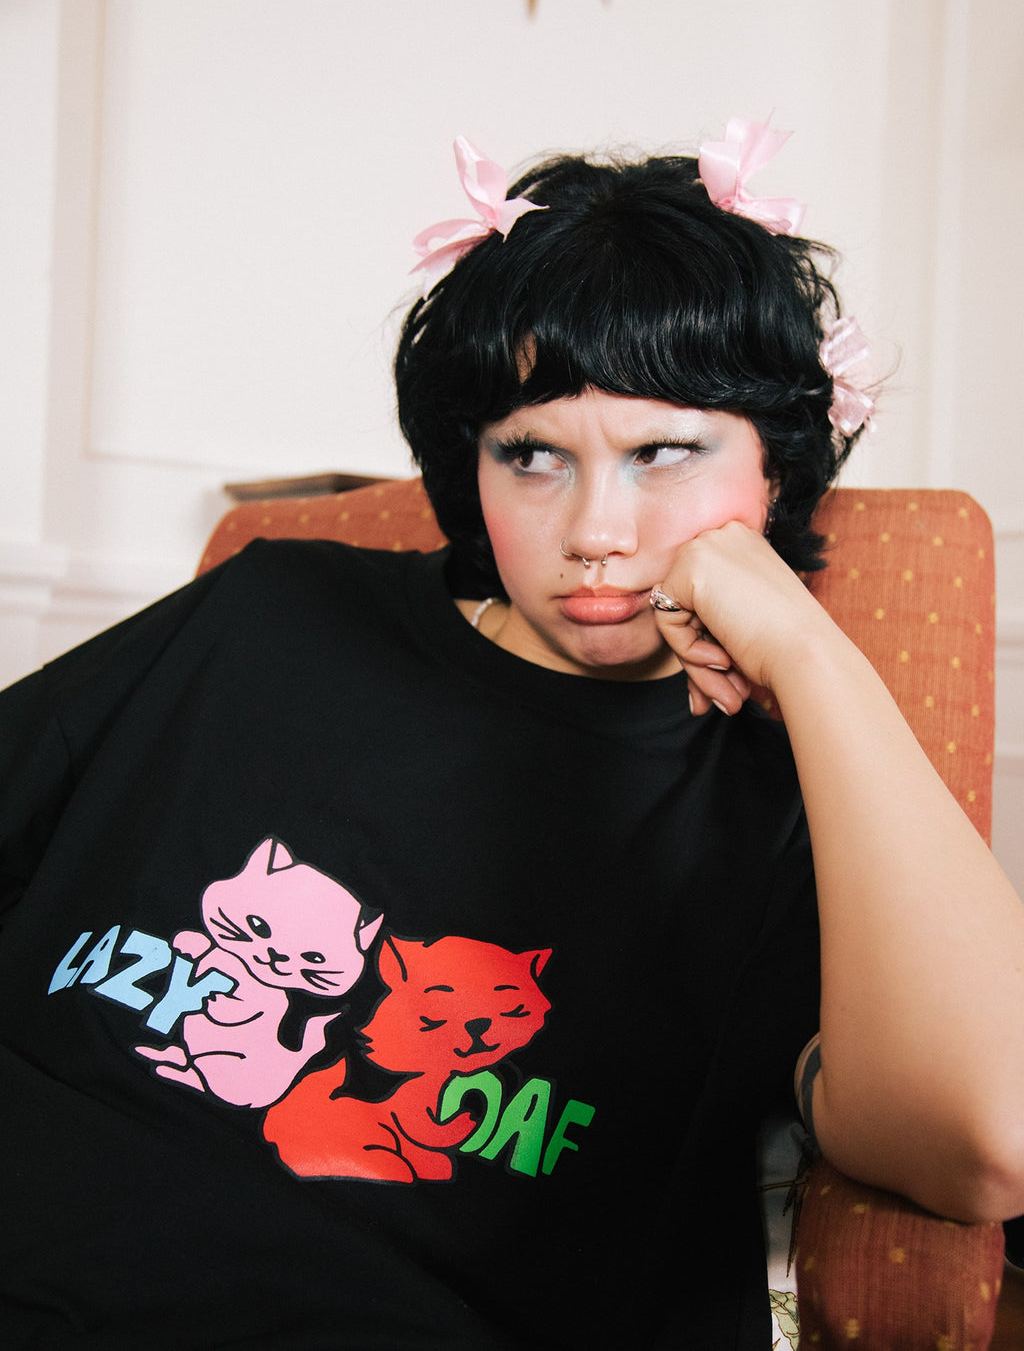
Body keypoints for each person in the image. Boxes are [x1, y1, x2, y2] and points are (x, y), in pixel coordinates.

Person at [1, 117, 1022, 1350]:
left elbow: (989, 1143)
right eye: (532, 454)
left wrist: (810, 653)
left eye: (665, 452)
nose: (594, 530)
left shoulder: (789, 809)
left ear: (776, 470)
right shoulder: (267, 609)